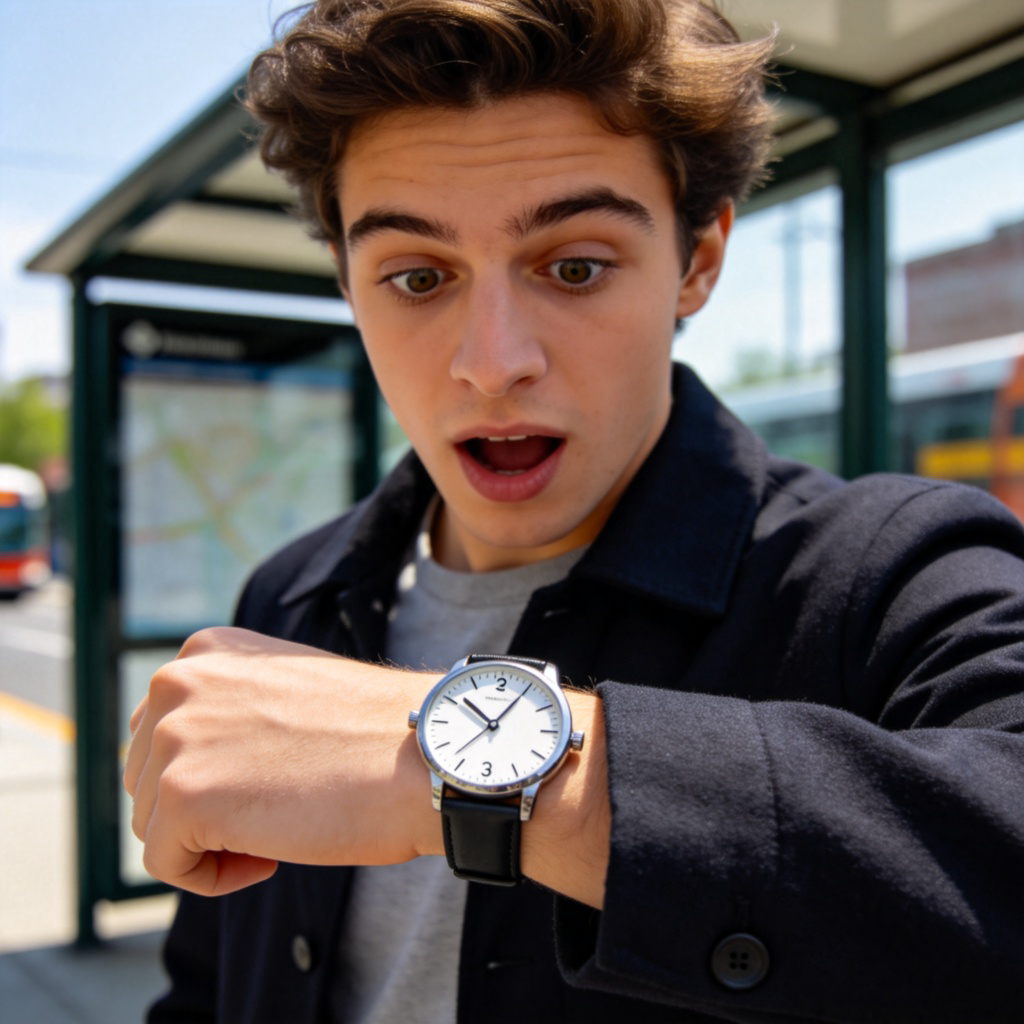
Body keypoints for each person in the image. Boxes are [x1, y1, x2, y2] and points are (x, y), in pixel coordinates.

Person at [123, 1, 1024, 1021]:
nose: (492, 360)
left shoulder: (890, 574)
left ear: (697, 260)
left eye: (574, 265)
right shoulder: (286, 595)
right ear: (346, 279)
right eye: (416, 276)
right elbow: (205, 989)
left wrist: (442, 760)